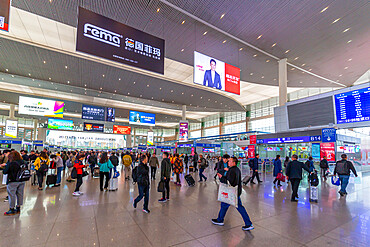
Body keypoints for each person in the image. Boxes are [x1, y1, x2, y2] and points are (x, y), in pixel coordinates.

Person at [212, 157, 254, 231]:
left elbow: (230, 182)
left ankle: (248, 224)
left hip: (232, 193)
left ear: (234, 162)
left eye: (230, 161)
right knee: (224, 205)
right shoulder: (236, 169)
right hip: (235, 192)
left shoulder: (232, 170)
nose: (228, 162)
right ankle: (220, 219)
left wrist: (221, 177)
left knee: (239, 207)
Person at [1, 151, 26, 216]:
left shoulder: (11, 163)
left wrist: (4, 166)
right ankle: (18, 208)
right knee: (20, 194)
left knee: (12, 195)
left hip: (12, 181)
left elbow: (5, 172)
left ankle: (11, 209)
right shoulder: (23, 162)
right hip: (22, 180)